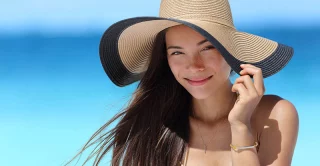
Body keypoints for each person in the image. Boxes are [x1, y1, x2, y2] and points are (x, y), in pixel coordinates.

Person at [67, 0, 299, 165]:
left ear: (231, 51)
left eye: (207, 48)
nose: (194, 66)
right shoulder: (155, 130)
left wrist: (240, 126)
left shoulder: (275, 115)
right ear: (165, 59)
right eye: (178, 53)